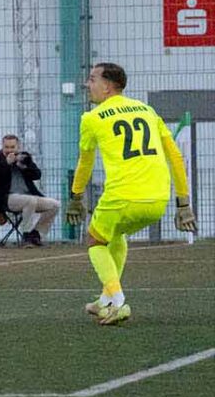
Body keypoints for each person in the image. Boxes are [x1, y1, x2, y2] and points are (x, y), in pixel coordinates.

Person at [65, 62, 196, 326]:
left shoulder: (91, 118)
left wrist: (76, 197)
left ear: (108, 86)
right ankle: (104, 300)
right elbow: (175, 156)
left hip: (122, 196)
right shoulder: (148, 111)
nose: (87, 85)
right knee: (116, 234)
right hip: (158, 199)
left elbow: (85, 163)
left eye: (92, 79)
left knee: (94, 240)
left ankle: (118, 300)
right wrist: (183, 203)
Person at [0, 134, 60, 247]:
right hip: (6, 198)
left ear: (18, 147)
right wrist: (6, 164)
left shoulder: (24, 157)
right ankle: (26, 235)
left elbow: (37, 175)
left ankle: (36, 234)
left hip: (28, 195)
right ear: (2, 146)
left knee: (54, 205)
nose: (9, 150)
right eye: (7, 147)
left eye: (12, 147)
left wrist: (25, 167)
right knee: (30, 201)